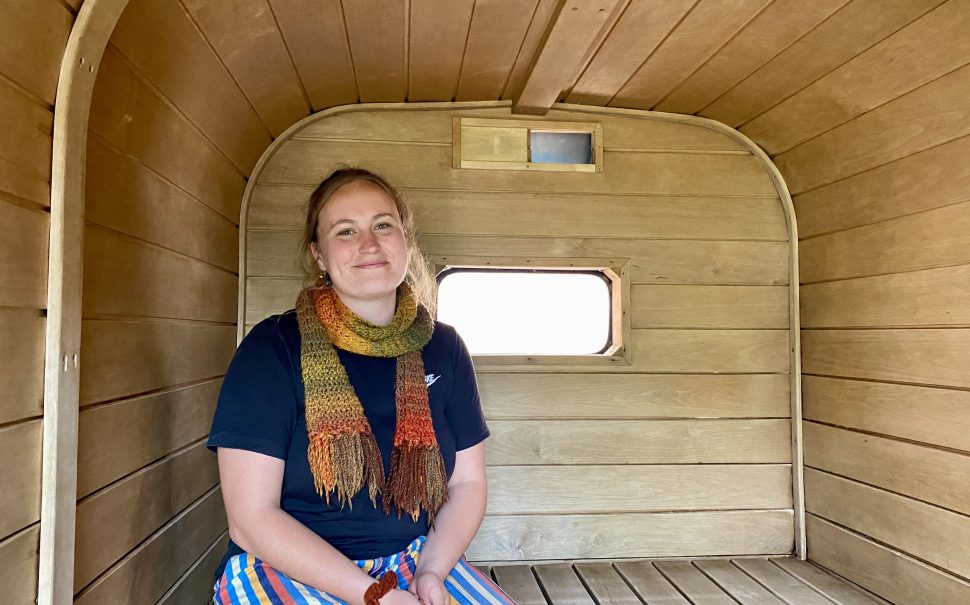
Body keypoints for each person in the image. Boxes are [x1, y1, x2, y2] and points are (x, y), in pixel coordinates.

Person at [207, 168, 515, 605]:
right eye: (346, 231)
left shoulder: (444, 347)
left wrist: (431, 572)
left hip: (414, 559)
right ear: (319, 254)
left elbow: (467, 484)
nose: (369, 244)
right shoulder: (272, 348)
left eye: (383, 225)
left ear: (404, 240)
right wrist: (377, 596)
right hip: (285, 566)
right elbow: (251, 518)